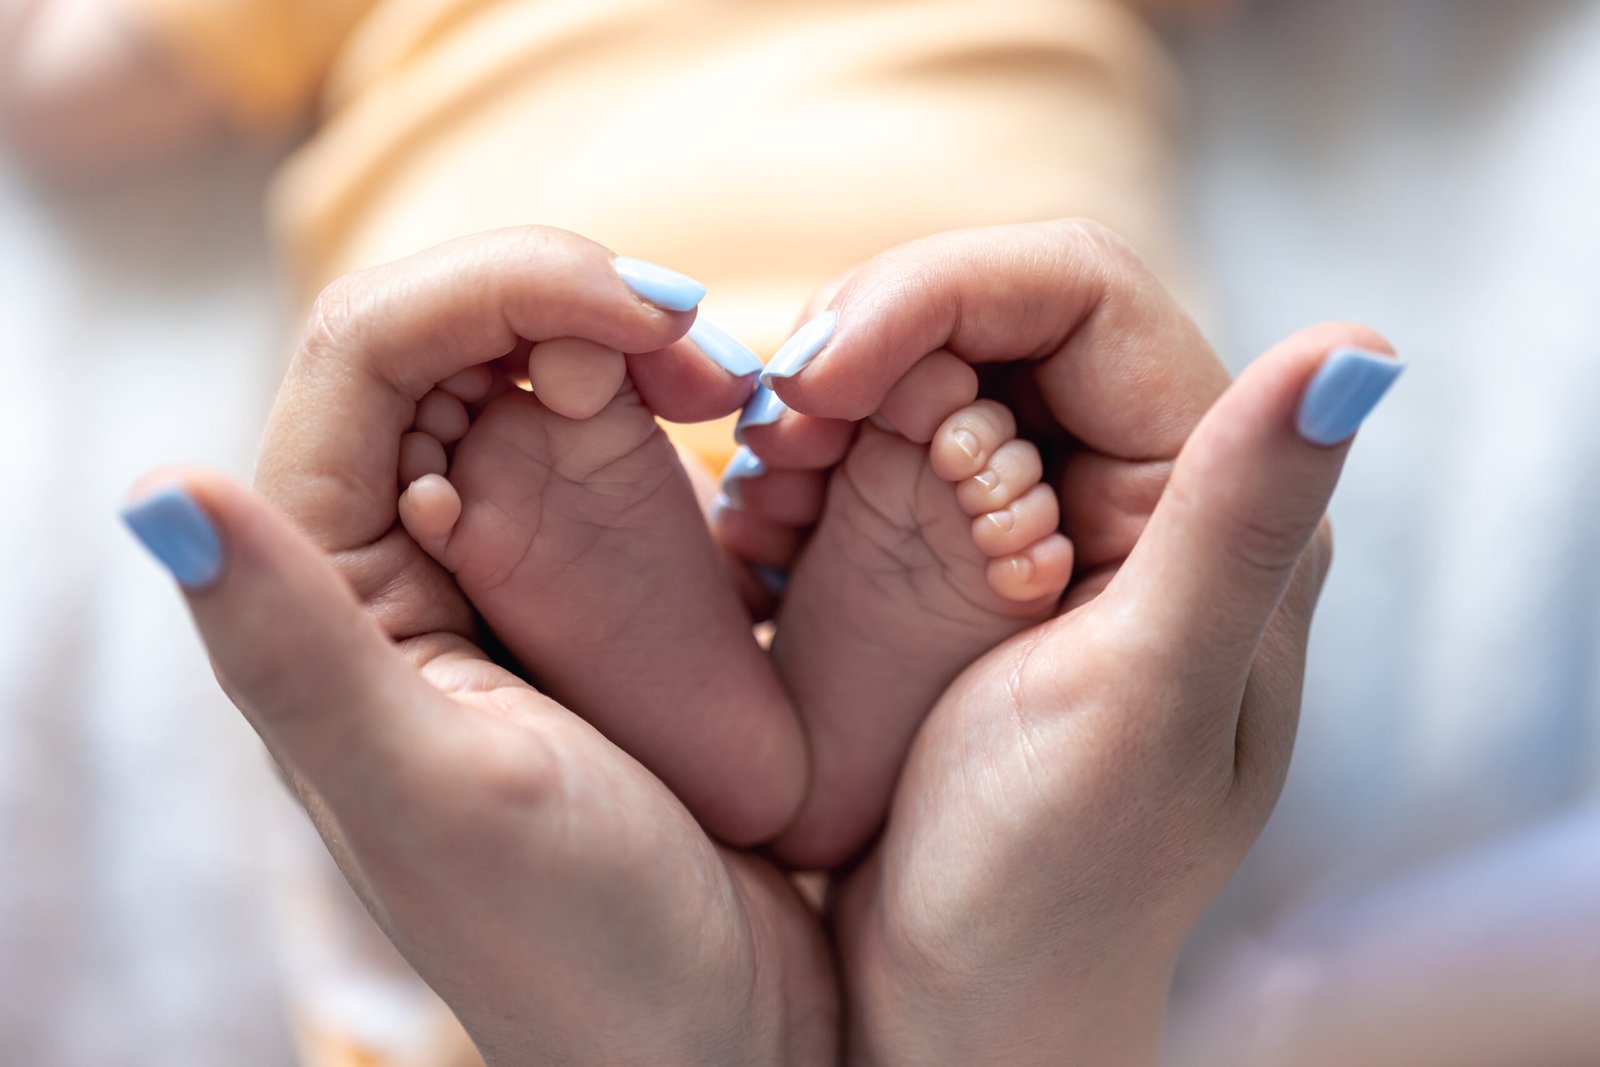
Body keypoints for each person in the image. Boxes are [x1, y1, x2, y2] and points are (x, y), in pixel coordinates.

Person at [124, 217, 1400, 1064]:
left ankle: (677, 704)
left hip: (532, 360)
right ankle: (832, 723)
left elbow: (92, 79)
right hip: (974, 369)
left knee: (527, 420)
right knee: (959, 440)